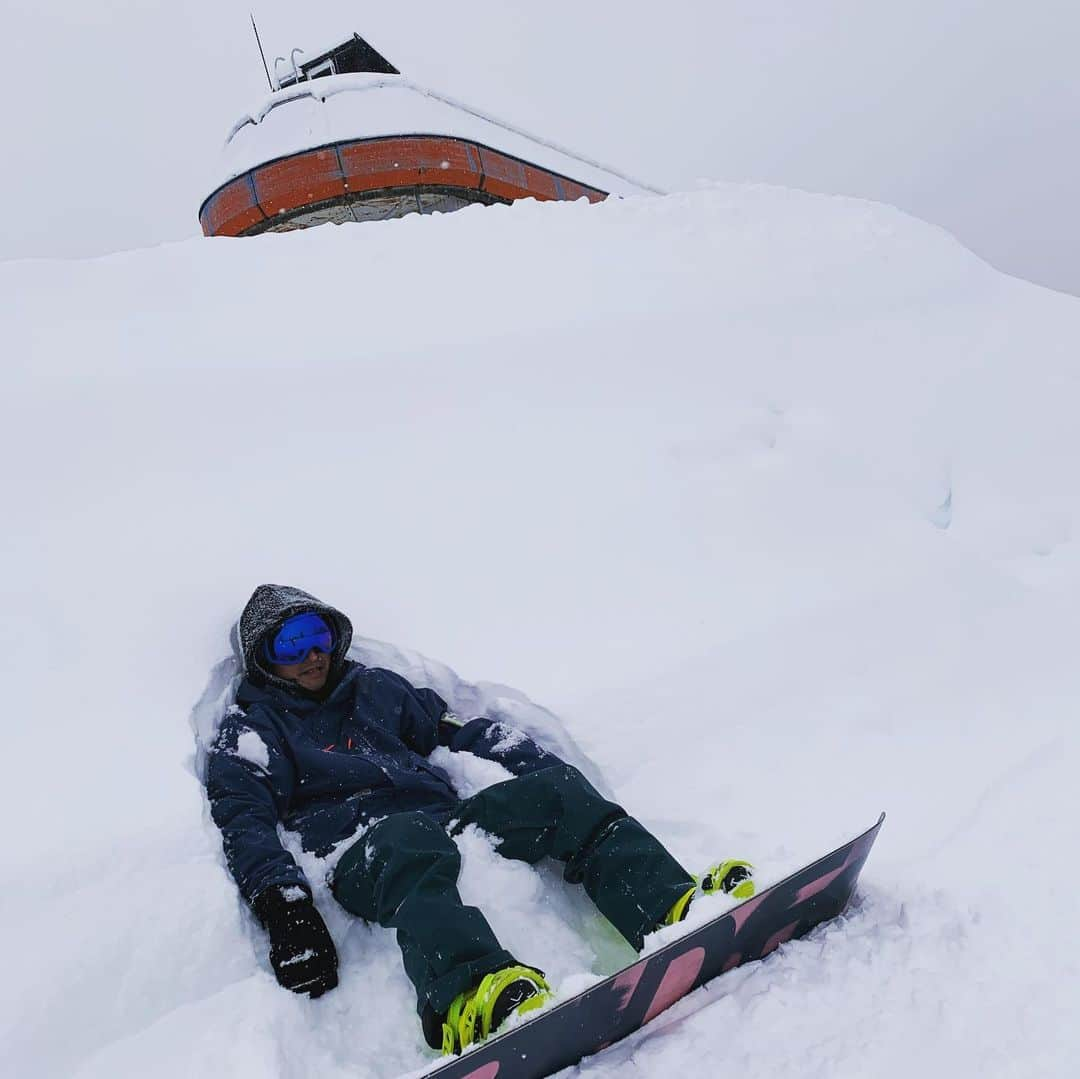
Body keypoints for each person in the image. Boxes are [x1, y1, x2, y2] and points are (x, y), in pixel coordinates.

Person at [207, 584, 755, 1055]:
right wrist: (285, 906)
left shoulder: (375, 688)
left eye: (318, 636)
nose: (312, 656)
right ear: (264, 659)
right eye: (291, 644)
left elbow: (457, 732)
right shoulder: (254, 730)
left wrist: (538, 771)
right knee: (407, 840)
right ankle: (468, 998)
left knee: (557, 793)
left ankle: (671, 907)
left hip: (440, 822)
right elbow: (244, 820)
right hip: (360, 852)